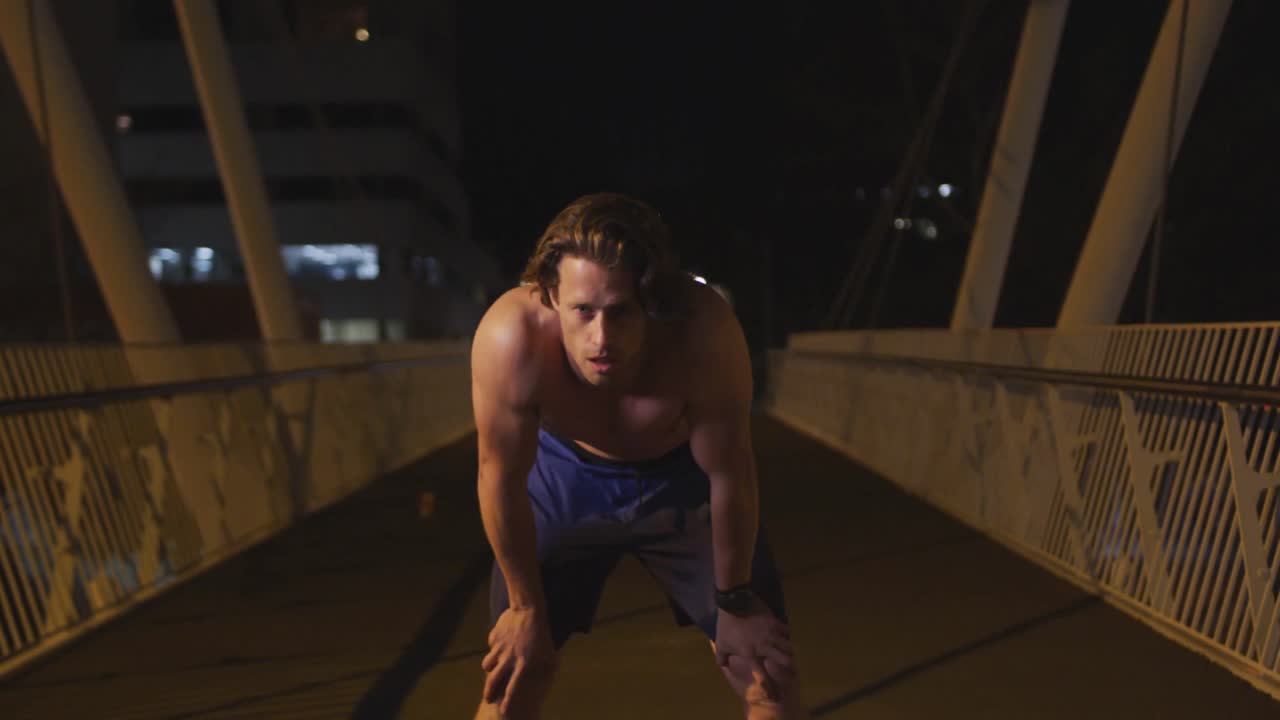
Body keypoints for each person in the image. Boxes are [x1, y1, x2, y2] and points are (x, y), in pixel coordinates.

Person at [471, 193, 806, 719]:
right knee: (513, 678)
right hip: (564, 478)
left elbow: (730, 474)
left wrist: (735, 599)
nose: (600, 338)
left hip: (682, 478)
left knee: (766, 672)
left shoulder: (703, 330)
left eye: (620, 311)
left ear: (650, 299)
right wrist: (524, 605)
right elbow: (499, 478)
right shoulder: (510, 338)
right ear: (551, 296)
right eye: (582, 311)